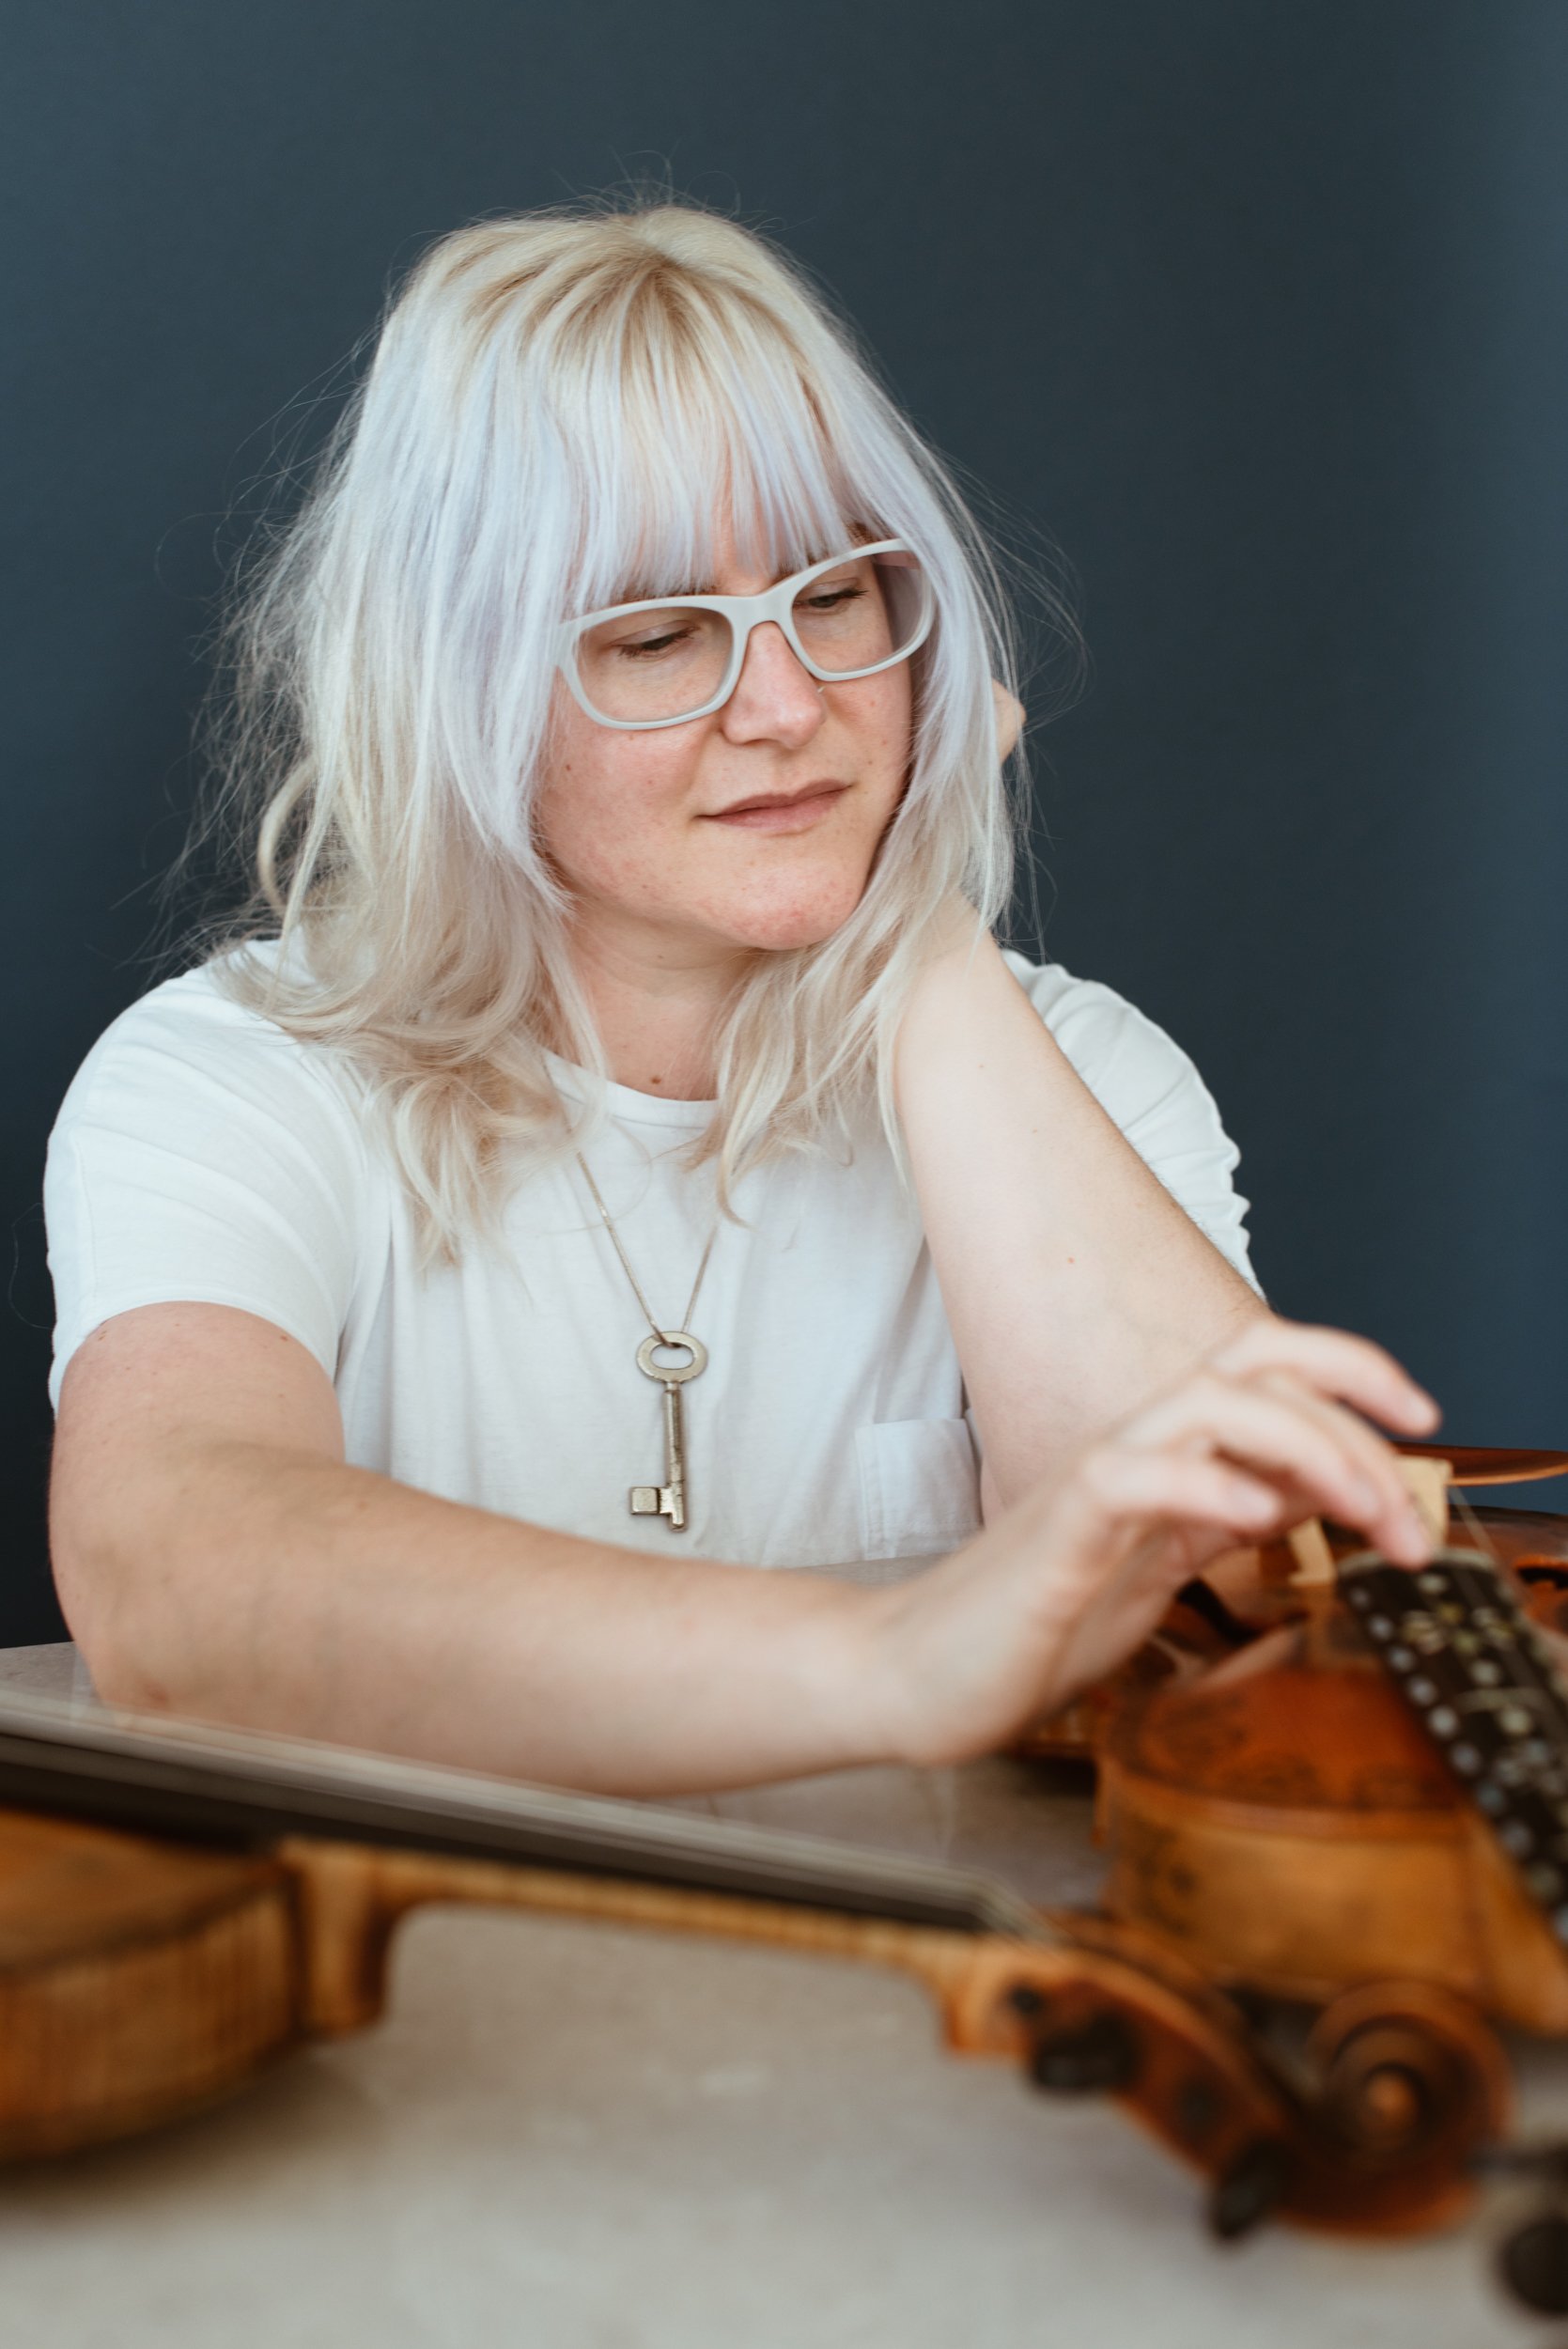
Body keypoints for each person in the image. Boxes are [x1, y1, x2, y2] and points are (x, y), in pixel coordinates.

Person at [43, 201, 1437, 1796]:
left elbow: (1253, 1585)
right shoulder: (230, 1079)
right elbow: (172, 1579)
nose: (784, 709)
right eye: (654, 634)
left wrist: (911, 925)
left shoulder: (1081, 1072)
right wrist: (892, 1660)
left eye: (835, 599)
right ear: (455, 701)